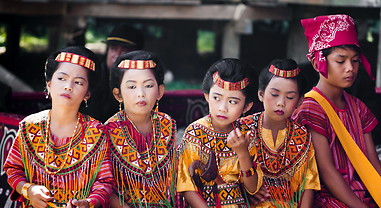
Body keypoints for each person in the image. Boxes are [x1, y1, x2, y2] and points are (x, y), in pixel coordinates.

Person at [4, 46, 114, 208]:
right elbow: (13, 170)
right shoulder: (29, 127)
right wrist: (29, 190)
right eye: (61, 78)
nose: (68, 86)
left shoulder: (97, 132)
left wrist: (89, 203)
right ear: (49, 84)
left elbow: (104, 182)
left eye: (78, 82)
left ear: (87, 94)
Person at [292, 14, 381, 207]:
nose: (350, 68)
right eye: (340, 61)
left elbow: (372, 162)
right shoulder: (310, 109)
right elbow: (327, 171)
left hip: (365, 194)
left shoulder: (359, 108)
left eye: (355, 60)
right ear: (318, 63)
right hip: (327, 198)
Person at [177, 58, 263, 208]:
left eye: (233, 102)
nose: (223, 108)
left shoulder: (246, 134)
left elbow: (252, 188)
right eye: (216, 98)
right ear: (206, 96)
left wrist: (242, 153)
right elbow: (185, 186)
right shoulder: (195, 132)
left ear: (246, 106)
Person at [240, 59, 320, 207]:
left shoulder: (302, 136)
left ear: (300, 101)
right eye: (275, 94)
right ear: (261, 94)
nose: (281, 103)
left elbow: (308, 185)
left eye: (289, 97)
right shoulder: (242, 129)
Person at [104, 50, 177, 208]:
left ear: (160, 91)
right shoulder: (107, 131)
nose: (141, 93)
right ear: (118, 95)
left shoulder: (168, 124)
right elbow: (105, 187)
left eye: (148, 85)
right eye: (131, 86)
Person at [86, 23, 144, 122]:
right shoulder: (92, 78)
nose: (117, 55)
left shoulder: (144, 84)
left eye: (124, 50)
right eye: (113, 49)